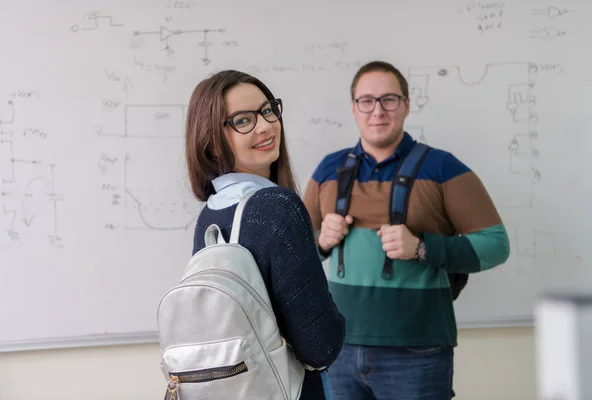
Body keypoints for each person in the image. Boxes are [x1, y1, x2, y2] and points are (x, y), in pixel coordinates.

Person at [303, 61, 511, 399]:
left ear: (407, 104)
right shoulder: (329, 169)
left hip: (419, 351)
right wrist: (321, 243)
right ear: (354, 108)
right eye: (367, 101)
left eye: (389, 99)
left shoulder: (443, 167)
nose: (378, 111)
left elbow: (496, 245)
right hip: (338, 349)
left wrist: (422, 247)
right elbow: (296, 257)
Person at [185, 69, 345, 399]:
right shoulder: (277, 207)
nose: (265, 125)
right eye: (243, 120)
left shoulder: (209, 215)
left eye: (268, 110)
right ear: (213, 143)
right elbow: (320, 347)